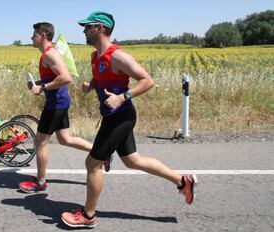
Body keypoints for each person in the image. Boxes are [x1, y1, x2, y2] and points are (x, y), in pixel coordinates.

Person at [61, 11, 198, 228]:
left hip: (120, 116)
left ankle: (88, 216)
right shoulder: (96, 57)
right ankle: (183, 181)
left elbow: (147, 80)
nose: (84, 31)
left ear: (101, 28)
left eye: (88, 27)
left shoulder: (118, 56)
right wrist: (91, 85)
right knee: (133, 160)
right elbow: (105, 79)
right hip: (114, 117)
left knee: (92, 163)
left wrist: (122, 97)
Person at [19, 22, 100, 193]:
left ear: (43, 36)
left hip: (55, 103)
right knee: (65, 139)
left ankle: (40, 182)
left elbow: (66, 78)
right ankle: (102, 153)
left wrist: (42, 88)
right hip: (60, 101)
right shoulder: (48, 54)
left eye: (34, 34)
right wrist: (39, 83)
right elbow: (55, 77)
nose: (31, 37)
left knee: (40, 142)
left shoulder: (50, 55)